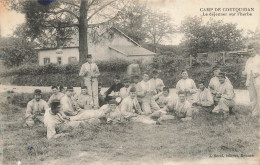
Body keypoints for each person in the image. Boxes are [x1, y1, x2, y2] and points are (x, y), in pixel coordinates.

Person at [242, 48, 260, 117]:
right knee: (252, 97)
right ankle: (255, 113)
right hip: (250, 81)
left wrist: (258, 73)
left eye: (252, 51)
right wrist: (244, 72)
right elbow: (246, 70)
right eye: (249, 51)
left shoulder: (259, 58)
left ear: (256, 50)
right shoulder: (248, 60)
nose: (251, 52)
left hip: (258, 80)